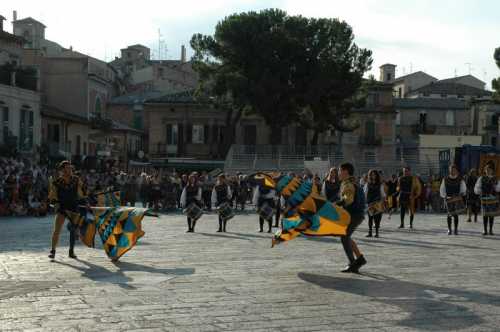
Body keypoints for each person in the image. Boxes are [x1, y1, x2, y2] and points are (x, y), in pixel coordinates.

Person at [47, 161, 85, 260]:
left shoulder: (76, 179)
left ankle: (71, 251)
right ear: (62, 170)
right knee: (56, 230)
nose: (70, 169)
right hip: (62, 208)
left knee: (73, 229)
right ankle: (53, 251)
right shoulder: (57, 182)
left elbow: (82, 192)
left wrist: (86, 198)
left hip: (73, 207)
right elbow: (53, 195)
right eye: (67, 168)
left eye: (70, 167)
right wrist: (55, 203)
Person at [336, 163, 367, 273]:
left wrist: (336, 204)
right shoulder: (350, 182)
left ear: (345, 171)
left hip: (354, 214)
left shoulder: (348, 184)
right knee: (346, 236)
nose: (338, 173)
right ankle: (360, 259)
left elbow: (348, 200)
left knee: (344, 236)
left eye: (339, 170)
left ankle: (353, 263)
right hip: (356, 214)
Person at [474, 162, 500, 236]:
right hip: (484, 199)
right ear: (485, 170)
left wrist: (496, 187)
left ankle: (491, 230)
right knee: (485, 215)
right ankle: (485, 230)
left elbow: (498, 189)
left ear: (492, 170)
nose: (488, 171)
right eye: (486, 169)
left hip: (492, 199)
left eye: (489, 169)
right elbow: (476, 188)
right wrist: (479, 191)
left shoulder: (496, 178)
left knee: (491, 215)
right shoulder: (481, 178)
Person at [440, 164, 466, 235]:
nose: (452, 171)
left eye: (454, 170)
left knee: (456, 214)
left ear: (456, 170)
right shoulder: (445, 179)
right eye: (451, 169)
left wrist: (461, 194)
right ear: (449, 170)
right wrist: (444, 196)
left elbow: (463, 188)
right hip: (448, 198)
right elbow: (442, 188)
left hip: (457, 198)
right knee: (449, 215)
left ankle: (456, 229)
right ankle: (449, 229)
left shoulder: (460, 179)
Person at [364, 169, 386, 238]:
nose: (373, 176)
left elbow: (383, 194)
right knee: (370, 218)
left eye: (374, 174)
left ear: (376, 175)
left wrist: (383, 201)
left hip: (378, 203)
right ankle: (370, 232)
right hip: (370, 203)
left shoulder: (380, 184)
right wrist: (365, 202)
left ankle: (377, 233)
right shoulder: (367, 184)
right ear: (369, 175)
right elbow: (365, 193)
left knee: (377, 219)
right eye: (372, 174)